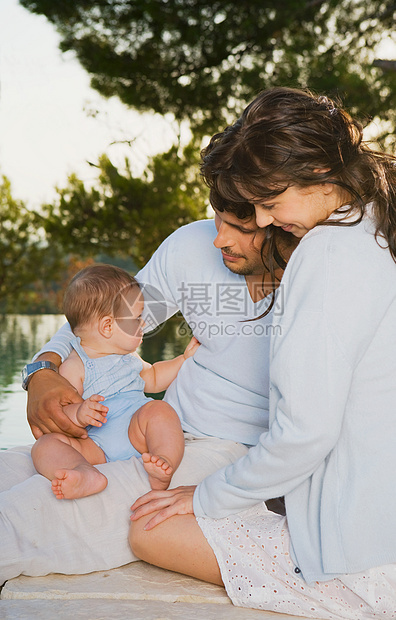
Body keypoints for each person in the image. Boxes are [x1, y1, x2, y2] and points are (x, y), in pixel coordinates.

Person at [128, 87, 396, 619]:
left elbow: (305, 432)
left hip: (360, 558)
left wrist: (204, 497)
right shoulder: (373, 226)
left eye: (270, 205)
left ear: (321, 175)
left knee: (147, 530)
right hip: (376, 517)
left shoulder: (324, 254)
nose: (266, 222)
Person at [0, 205, 296, 583]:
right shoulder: (194, 246)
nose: (218, 237)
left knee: (30, 517)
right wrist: (43, 370)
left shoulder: (316, 281)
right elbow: (100, 318)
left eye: (241, 226)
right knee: (11, 469)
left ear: (279, 218)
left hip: (222, 449)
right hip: (139, 425)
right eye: (219, 216)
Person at [31, 264, 199, 499]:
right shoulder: (74, 365)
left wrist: (184, 359)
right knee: (45, 445)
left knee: (159, 409)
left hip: (138, 431)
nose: (143, 324)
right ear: (108, 326)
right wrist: (79, 412)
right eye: (137, 318)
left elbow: (153, 377)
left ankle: (163, 461)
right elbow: (62, 414)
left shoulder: (128, 357)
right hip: (96, 445)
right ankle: (83, 472)